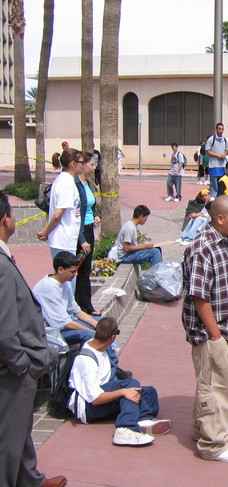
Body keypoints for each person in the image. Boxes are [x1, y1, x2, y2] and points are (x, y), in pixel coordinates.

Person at [0, 191, 67, 487]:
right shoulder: (1, 267)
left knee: (20, 430)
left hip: (18, 366)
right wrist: (21, 366)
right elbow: (4, 328)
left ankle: (30, 479)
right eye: (12, 213)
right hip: (13, 370)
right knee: (9, 437)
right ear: (5, 219)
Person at [182, 196, 228, 462]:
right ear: (220, 218)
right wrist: (216, 335)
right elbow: (200, 298)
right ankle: (213, 444)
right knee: (216, 387)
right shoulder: (203, 248)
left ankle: (203, 427)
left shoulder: (225, 241)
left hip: (224, 328)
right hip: (211, 332)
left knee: (209, 383)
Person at [68, 316, 171, 446]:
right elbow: (95, 399)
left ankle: (144, 419)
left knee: (148, 392)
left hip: (104, 394)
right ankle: (125, 429)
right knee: (130, 385)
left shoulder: (99, 345)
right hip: (87, 408)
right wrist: (122, 392)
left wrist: (123, 391)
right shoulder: (86, 360)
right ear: (112, 338)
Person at [32, 251, 126, 376]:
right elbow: (64, 323)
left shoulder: (63, 284)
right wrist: (95, 333)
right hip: (51, 332)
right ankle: (113, 370)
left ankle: (109, 361)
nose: (76, 274)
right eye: (72, 271)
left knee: (101, 321)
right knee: (89, 335)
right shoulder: (49, 288)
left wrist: (99, 326)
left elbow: (76, 311)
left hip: (63, 325)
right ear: (60, 269)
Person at [37, 149, 85, 260]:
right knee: (67, 276)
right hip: (63, 240)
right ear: (73, 163)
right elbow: (57, 214)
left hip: (65, 240)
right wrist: (46, 232)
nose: (83, 165)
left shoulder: (63, 179)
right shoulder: (66, 183)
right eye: (81, 162)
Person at [75, 152, 101, 315]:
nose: (94, 168)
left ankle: (86, 305)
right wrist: (82, 239)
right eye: (91, 164)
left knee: (86, 270)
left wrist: (97, 215)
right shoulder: (75, 185)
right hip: (81, 231)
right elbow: (75, 214)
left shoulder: (88, 183)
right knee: (79, 269)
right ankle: (79, 306)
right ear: (82, 165)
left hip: (89, 228)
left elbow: (90, 206)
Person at [205, 123, 228, 197]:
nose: (221, 131)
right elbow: (207, 151)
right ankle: (213, 199)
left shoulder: (224, 139)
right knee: (214, 184)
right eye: (219, 129)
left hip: (222, 165)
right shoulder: (211, 139)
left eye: (222, 129)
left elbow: (226, 149)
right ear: (216, 129)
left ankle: (220, 198)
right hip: (214, 165)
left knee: (222, 184)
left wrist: (224, 154)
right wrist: (217, 155)